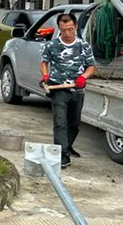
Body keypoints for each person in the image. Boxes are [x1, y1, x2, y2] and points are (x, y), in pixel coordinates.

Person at [40, 13, 96, 168]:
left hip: (77, 90)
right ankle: (62, 155)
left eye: (70, 29)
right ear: (59, 28)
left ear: (76, 27)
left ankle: (67, 146)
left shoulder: (83, 46)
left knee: (74, 123)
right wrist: (45, 75)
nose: (67, 33)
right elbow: (44, 63)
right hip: (58, 89)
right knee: (60, 123)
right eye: (64, 30)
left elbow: (91, 66)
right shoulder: (52, 45)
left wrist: (83, 77)